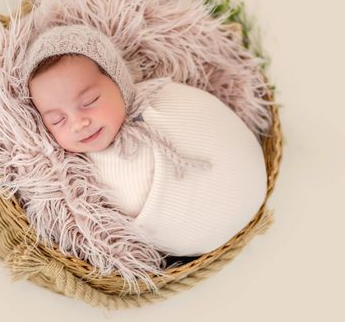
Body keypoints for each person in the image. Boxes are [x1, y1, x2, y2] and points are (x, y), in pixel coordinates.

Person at [21, 24, 267, 256]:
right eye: (57, 120)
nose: (78, 123)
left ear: (118, 80)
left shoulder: (161, 94)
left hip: (250, 177)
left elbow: (206, 119)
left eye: (90, 101)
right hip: (206, 233)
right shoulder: (83, 178)